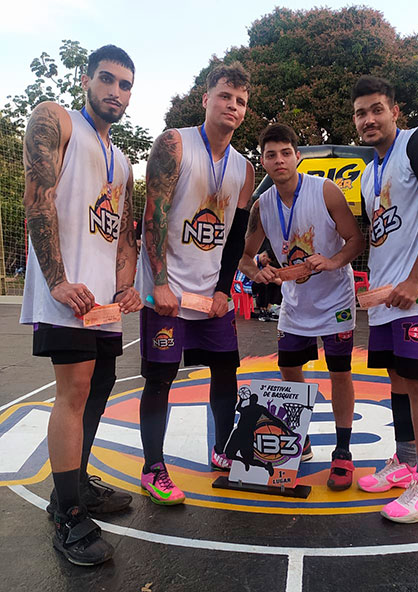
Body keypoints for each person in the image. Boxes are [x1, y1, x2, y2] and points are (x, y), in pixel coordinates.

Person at [19, 45, 142, 565]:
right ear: (88, 80)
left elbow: (123, 236)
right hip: (66, 293)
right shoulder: (56, 120)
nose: (116, 92)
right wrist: (58, 281)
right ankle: (67, 515)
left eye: (125, 85)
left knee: (100, 387)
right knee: (72, 393)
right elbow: (37, 196)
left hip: (102, 302)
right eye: (107, 80)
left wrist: (127, 284)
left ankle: (75, 487)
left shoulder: (123, 159)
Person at [135, 62, 254, 503]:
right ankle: (153, 468)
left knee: (226, 371)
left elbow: (237, 235)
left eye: (241, 101)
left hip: (209, 294)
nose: (233, 106)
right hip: (167, 289)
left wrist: (225, 289)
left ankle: (223, 450)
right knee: (161, 378)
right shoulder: (175, 143)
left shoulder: (244, 169)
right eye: (225, 96)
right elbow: (153, 215)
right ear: (206, 99)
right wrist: (159, 282)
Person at [351, 75, 418, 523]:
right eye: (360, 113)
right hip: (386, 296)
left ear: (395, 111)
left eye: (377, 109)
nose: (369, 119)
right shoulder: (367, 174)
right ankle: (406, 460)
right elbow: (376, 239)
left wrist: (415, 280)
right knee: (396, 379)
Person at [239, 123, 365, 491]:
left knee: (340, 372)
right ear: (262, 161)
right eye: (270, 155)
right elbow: (245, 256)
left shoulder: (325, 190)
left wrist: (333, 260)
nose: (279, 160)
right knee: (288, 369)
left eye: (285, 152)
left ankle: (343, 451)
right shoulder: (263, 204)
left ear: (297, 155)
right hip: (295, 303)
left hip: (335, 300)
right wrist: (257, 273)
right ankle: (299, 436)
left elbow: (356, 240)